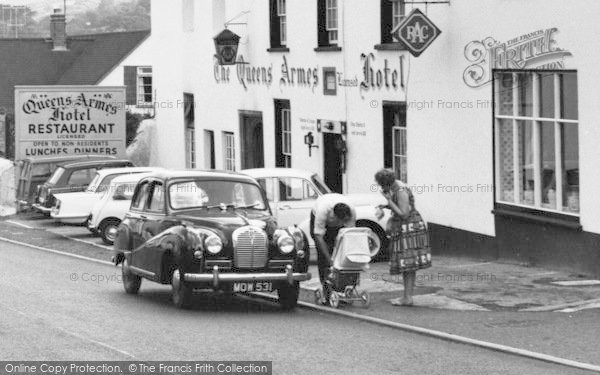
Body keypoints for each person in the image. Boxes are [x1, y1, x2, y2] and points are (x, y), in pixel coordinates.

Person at [375, 169, 430, 306]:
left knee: (408, 263)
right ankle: (407, 296)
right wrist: (386, 205)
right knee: (408, 264)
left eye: (383, 185)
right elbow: (401, 207)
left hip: (409, 228)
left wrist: (389, 201)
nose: (382, 188)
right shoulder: (397, 187)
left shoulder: (400, 191)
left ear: (387, 184)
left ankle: (408, 297)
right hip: (407, 227)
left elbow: (404, 213)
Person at [310, 193, 356, 303]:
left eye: (346, 220)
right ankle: (327, 289)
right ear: (335, 217)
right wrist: (329, 259)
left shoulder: (352, 211)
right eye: (342, 221)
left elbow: (350, 234)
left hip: (336, 220)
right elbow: (318, 236)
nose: (343, 223)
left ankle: (341, 287)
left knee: (341, 254)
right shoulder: (322, 210)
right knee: (323, 255)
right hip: (319, 220)